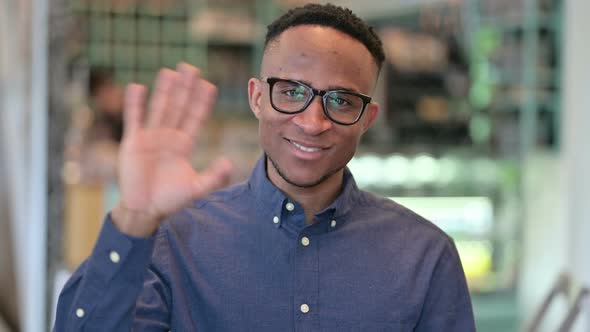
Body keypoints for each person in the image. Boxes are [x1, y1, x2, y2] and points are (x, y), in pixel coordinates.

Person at [54, 4, 475, 331]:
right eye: (291, 91)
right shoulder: (174, 239)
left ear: (368, 117)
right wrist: (135, 217)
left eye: (341, 101)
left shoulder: (426, 256)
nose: (312, 122)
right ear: (257, 97)